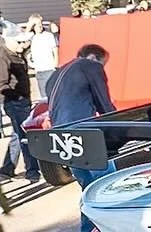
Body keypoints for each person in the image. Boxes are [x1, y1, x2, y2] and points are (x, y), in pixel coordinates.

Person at [48, 43, 117, 191]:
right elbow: (104, 104)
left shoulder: (56, 74)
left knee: (87, 185)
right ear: (93, 57)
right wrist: (120, 128)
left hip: (60, 132)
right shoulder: (90, 66)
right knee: (107, 180)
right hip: (82, 128)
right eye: (102, 65)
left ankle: (88, 212)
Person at [0, 28, 41, 183]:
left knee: (17, 134)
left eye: (23, 42)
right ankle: (32, 171)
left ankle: (7, 169)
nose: (22, 45)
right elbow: (1, 85)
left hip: (22, 100)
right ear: (9, 40)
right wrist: (17, 97)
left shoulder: (16, 55)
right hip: (14, 102)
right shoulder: (2, 57)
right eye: (19, 42)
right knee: (25, 136)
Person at [28, 19, 59, 100]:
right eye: (37, 25)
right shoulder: (32, 38)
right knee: (44, 96)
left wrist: (55, 64)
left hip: (49, 68)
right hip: (39, 70)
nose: (40, 26)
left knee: (53, 93)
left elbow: (55, 50)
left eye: (41, 24)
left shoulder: (48, 35)